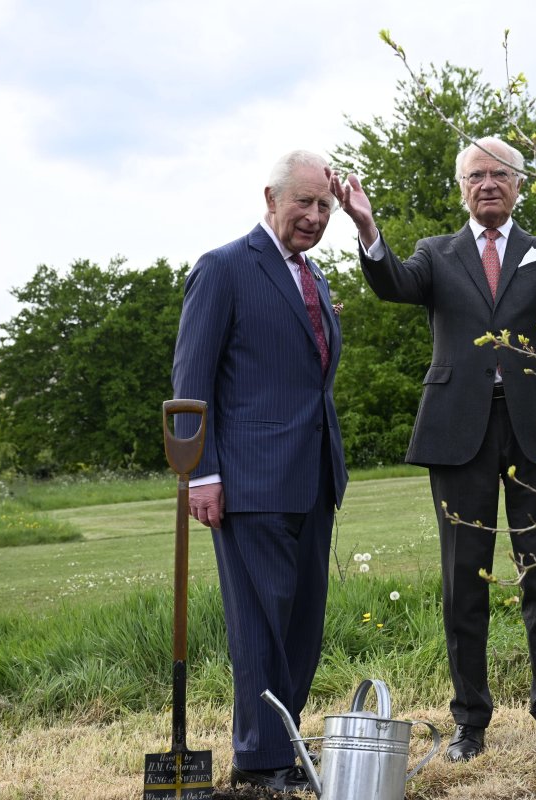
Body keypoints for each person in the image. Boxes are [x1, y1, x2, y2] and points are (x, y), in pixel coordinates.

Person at [331, 136, 536, 761]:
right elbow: (393, 283)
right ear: (461, 186)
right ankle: (470, 722)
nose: (488, 184)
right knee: (463, 581)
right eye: (476, 174)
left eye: (500, 175)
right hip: (460, 432)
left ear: (519, 186)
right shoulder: (436, 253)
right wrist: (368, 226)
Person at [172, 150, 347, 793]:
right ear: (269, 198)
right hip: (248, 482)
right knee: (260, 623)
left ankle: (287, 745)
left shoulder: (315, 277)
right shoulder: (222, 269)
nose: (314, 215)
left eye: (325, 205)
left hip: (315, 477)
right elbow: (190, 383)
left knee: (302, 621)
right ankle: (259, 758)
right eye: (303, 201)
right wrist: (201, 474)